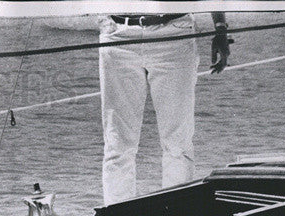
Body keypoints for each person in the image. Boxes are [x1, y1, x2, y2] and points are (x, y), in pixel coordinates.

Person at [99, 12, 232, 205]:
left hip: (174, 34)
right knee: (117, 147)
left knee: (177, 145)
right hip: (117, 35)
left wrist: (220, 28)